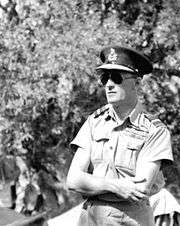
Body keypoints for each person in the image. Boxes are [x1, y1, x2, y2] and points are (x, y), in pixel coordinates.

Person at [66, 45, 173, 225]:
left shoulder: (154, 130)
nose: (109, 84)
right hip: (90, 218)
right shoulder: (94, 122)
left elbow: (138, 189)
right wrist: (115, 185)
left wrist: (91, 183)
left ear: (137, 83)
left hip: (130, 219)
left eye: (116, 77)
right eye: (105, 78)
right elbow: (73, 180)